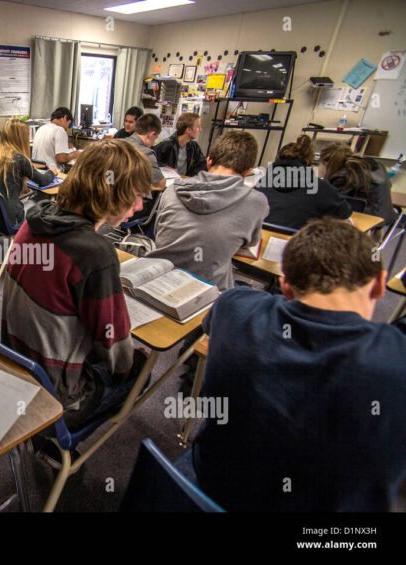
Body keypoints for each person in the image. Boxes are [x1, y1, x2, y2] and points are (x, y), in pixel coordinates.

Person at [194, 219, 406, 511]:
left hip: (207, 488)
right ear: (381, 284)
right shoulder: (396, 358)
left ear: (285, 285)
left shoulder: (233, 306)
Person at [2, 140, 151, 428]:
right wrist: (127, 362)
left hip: (17, 366)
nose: (140, 205)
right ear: (112, 192)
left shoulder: (35, 218)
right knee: (141, 366)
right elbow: (116, 352)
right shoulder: (94, 254)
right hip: (59, 396)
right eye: (135, 195)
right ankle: (61, 443)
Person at [148, 131, 269, 291]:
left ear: (209, 161)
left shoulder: (172, 191)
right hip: (208, 289)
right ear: (247, 171)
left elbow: (159, 232)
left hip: (160, 278)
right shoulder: (256, 202)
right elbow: (250, 243)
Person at [257, 135, 352, 229]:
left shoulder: (263, 182)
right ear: (309, 163)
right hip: (300, 238)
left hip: (263, 236)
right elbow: (345, 213)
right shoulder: (322, 188)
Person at [0, 118, 58, 227]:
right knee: (47, 200)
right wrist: (51, 172)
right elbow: (43, 181)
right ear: (22, 138)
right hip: (12, 220)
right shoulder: (18, 158)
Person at [319, 143, 397, 226]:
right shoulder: (372, 165)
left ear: (325, 163)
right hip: (386, 215)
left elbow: (334, 207)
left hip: (367, 220)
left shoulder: (344, 177)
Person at [119, 113, 166, 188]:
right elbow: (160, 184)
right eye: (155, 138)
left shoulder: (116, 143)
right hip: (131, 193)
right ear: (152, 134)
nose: (154, 142)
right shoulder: (146, 153)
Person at [154, 112, 208, 176]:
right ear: (189, 130)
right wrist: (165, 168)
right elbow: (150, 161)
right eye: (198, 127)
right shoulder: (166, 145)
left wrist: (190, 177)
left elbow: (202, 164)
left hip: (185, 180)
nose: (200, 130)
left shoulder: (194, 146)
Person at [32, 107, 81, 171]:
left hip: (37, 169)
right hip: (51, 171)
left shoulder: (41, 128)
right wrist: (75, 154)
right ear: (65, 118)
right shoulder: (60, 130)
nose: (67, 128)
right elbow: (61, 159)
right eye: (69, 124)